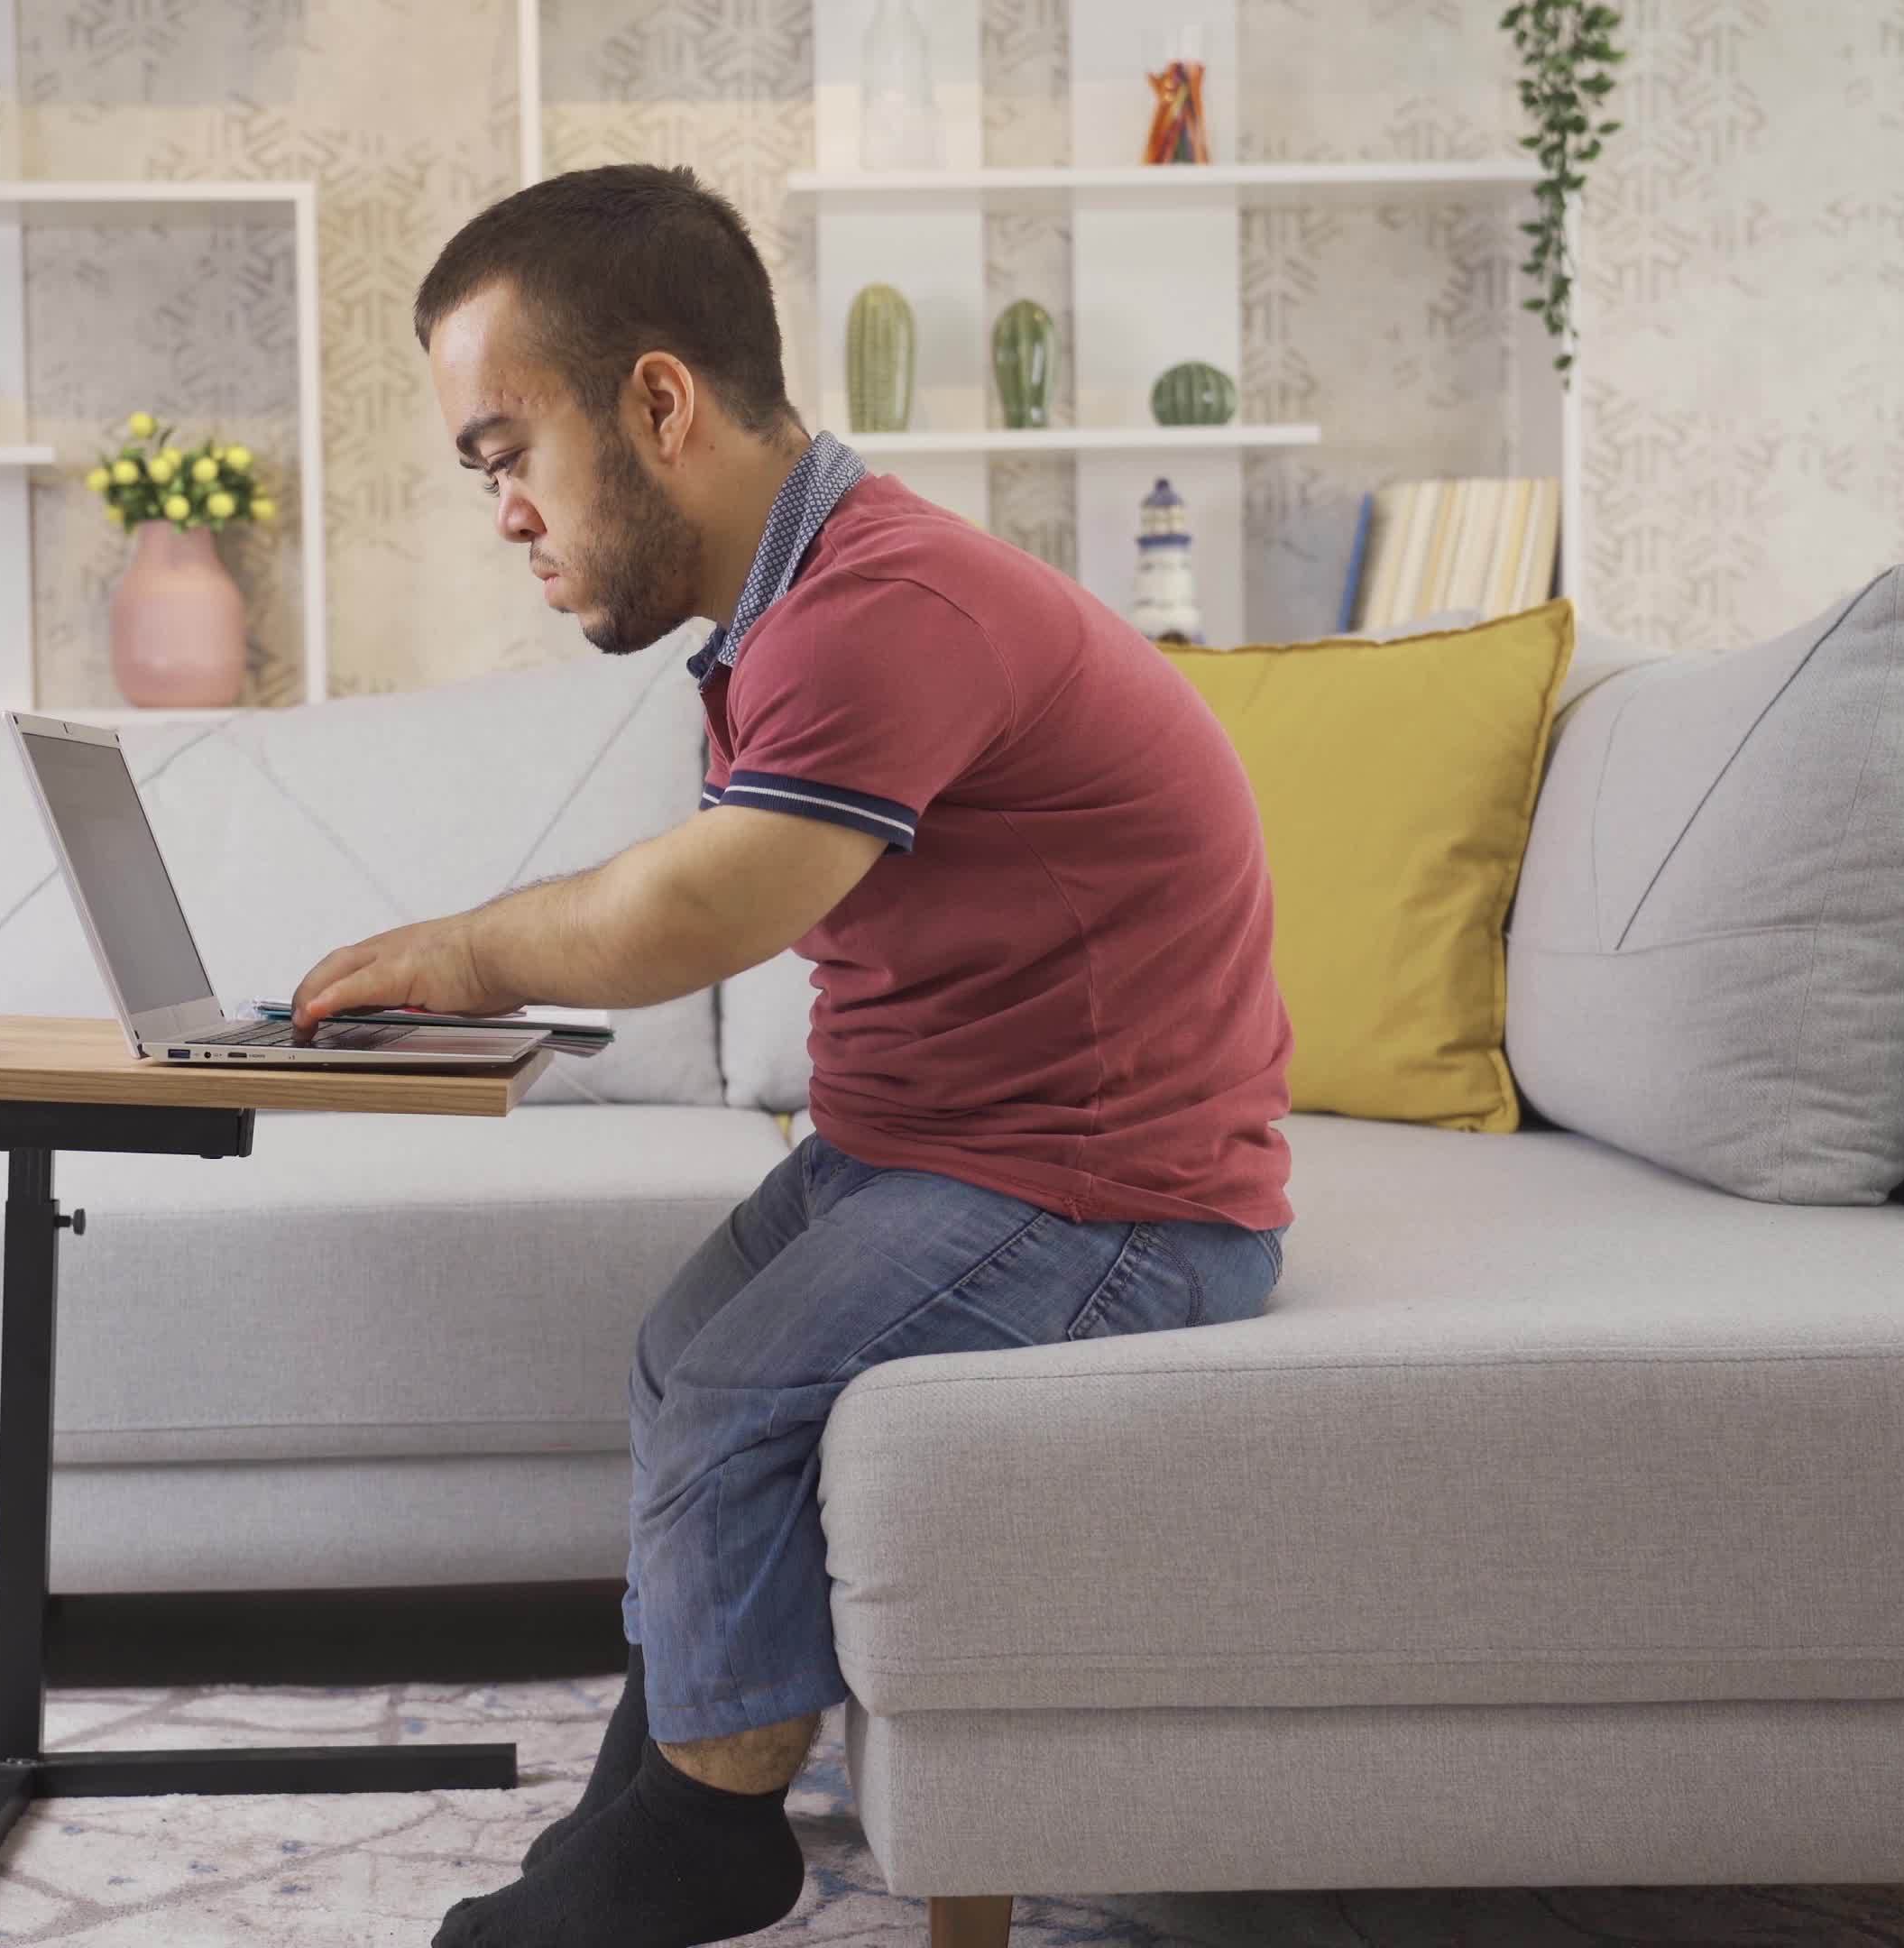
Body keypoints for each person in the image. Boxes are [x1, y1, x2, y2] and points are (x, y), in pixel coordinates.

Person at [289, 163, 1294, 1948]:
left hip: (1108, 1198)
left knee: (742, 1389)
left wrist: (461, 953)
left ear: (658, 404)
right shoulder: (805, 591)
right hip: (946, 1154)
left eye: (507, 453)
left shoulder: (883, 604)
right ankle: (667, 1778)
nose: (504, 514)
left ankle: (702, 1831)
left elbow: (714, 901)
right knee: (680, 1356)